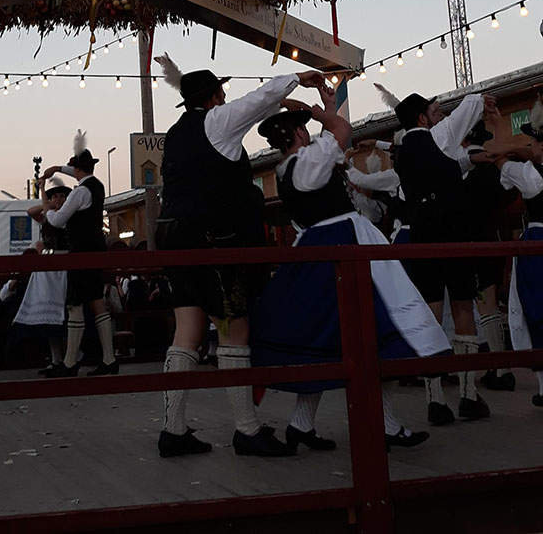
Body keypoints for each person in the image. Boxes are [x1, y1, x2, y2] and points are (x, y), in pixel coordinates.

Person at [251, 89, 445, 451]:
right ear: (298, 133)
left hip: (319, 248)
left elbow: (331, 139)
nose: (308, 132)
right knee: (371, 330)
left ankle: (302, 424)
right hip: (343, 244)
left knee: (333, 339)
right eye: (303, 128)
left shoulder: (289, 169)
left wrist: (326, 107)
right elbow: (341, 131)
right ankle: (384, 426)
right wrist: (319, 112)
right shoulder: (308, 162)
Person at [154, 54, 326, 459]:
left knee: (187, 331)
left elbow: (253, 108)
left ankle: (173, 429)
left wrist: (281, 102)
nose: (226, 97)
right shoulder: (216, 121)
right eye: (221, 91)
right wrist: (297, 78)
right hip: (211, 238)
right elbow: (255, 100)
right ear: (214, 96)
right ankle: (247, 429)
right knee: (235, 329)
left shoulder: (177, 133)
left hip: (173, 234)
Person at [392, 88, 499, 425]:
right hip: (453, 232)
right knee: (463, 306)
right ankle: (468, 394)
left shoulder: (402, 153)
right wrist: (479, 100)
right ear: (422, 118)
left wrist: (466, 160)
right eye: (432, 111)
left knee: (431, 312)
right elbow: (467, 109)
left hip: (422, 235)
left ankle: (435, 399)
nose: (438, 115)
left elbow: (446, 164)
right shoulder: (439, 135)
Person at [39, 130, 117, 377]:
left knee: (74, 305)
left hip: (81, 253)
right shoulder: (97, 185)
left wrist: (45, 203)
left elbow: (58, 220)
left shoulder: (80, 192)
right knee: (97, 303)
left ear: (78, 169)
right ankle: (109, 359)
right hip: (95, 250)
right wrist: (56, 168)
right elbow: (76, 172)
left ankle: (70, 362)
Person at [461, 119, 516, 392]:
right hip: (495, 239)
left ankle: (499, 367)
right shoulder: (494, 170)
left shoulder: (463, 171)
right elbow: (509, 198)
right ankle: (500, 366)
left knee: (484, 306)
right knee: (491, 303)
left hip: (473, 243)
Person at [499, 97, 543, 408]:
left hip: (538, 242)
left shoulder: (530, 175)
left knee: (537, 310)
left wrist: (507, 153)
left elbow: (504, 167)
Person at [14, 178, 71, 375]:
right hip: (48, 267)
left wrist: (49, 202)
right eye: (55, 197)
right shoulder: (47, 216)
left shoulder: (67, 217)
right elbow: (31, 212)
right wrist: (46, 201)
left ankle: (71, 357)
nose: (58, 200)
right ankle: (56, 359)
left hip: (64, 265)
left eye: (62, 196)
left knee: (65, 315)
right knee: (48, 317)